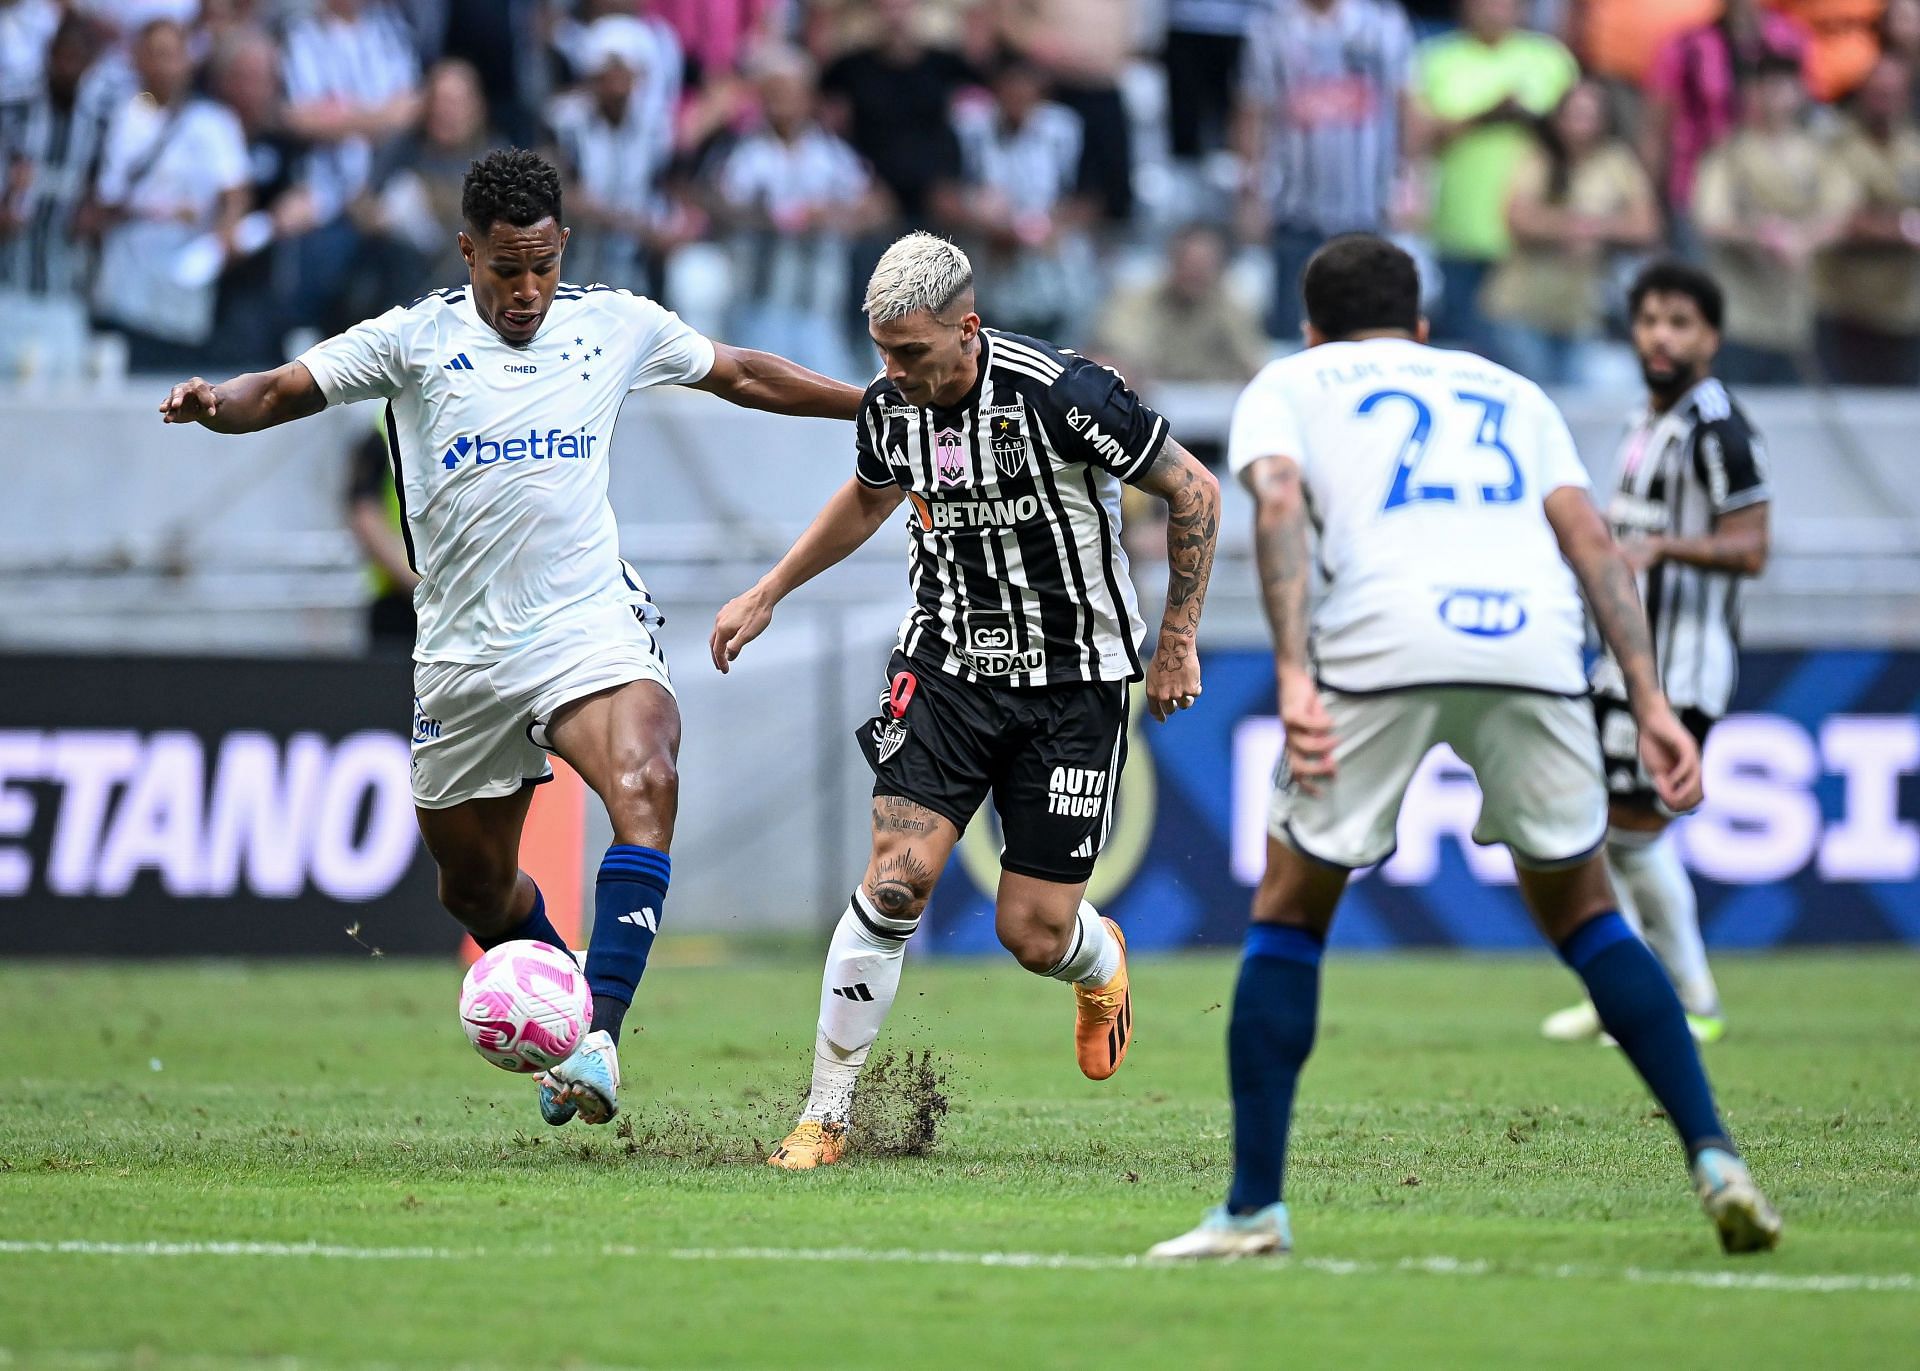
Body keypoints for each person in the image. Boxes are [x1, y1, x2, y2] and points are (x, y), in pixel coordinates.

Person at [158, 148, 865, 1127]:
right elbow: (279, 390)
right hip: (463, 657)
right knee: (477, 891)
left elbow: (741, 373)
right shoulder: (411, 342)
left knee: (647, 778)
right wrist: (214, 406)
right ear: (467, 253)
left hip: (588, 627)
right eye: (505, 270)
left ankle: (597, 1040)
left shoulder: (612, 325)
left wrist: (873, 401)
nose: (528, 291)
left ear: (564, 246)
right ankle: (565, 1021)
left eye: (543, 267)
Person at [1149, 234, 1781, 1260]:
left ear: (1312, 326)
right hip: (1532, 641)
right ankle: (1714, 1155)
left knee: (1289, 913)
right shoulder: (1509, 386)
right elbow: (1591, 540)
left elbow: (1273, 509)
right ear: (1425, 326)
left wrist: (1297, 675)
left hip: (1383, 639)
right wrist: (1652, 701)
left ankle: (1255, 1207)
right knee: (1584, 911)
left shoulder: (1292, 380)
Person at [710, 232, 1222, 1170]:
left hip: (1074, 682)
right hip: (945, 667)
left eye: (910, 352)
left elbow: (1193, 489)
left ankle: (1097, 961)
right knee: (897, 876)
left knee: (1030, 933)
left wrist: (1177, 638)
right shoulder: (891, 406)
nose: (892, 372)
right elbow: (869, 498)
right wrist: (769, 589)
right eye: (880, 352)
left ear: (967, 329)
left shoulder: (1064, 397)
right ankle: (825, 1112)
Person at [1541, 261, 1770, 1048]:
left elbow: (1752, 547)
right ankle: (1629, 996)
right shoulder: (1649, 422)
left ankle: (1692, 999)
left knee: (1633, 832)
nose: (1661, 336)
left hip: (1683, 665)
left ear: (1710, 337)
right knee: (1609, 832)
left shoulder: (1720, 429)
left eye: (1679, 322)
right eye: (1648, 321)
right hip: (1624, 661)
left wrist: (1659, 547)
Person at [1233, 0, 1415, 342]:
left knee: (1368, 328)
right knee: (1291, 331)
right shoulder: (1271, 30)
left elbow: (1407, 105)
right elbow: (1253, 112)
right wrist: (1250, 193)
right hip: (1294, 211)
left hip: (1366, 211)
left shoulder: (1383, 26)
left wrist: (1410, 184)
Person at [1416, 0, 1579, 353]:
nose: (1493, 10)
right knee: (1464, 347)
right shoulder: (1437, 57)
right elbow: (1419, 136)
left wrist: (1532, 119)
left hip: (1534, 236)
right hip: (1461, 227)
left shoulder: (1550, 59)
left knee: (1525, 357)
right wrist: (1489, 114)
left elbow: (1579, 133)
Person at [1481, 77, 1660, 384]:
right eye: (1574, 114)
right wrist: (1571, 228)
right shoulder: (1538, 158)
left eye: (1590, 114)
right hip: (1523, 308)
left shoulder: (1617, 163)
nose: (1582, 123)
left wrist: (1595, 228)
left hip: (1581, 312)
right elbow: (1517, 219)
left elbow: (1646, 226)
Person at [1691, 53, 1857, 384]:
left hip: (1795, 319)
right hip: (1739, 318)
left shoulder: (1819, 154)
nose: (1776, 96)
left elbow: (1841, 213)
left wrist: (1801, 240)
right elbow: (1710, 220)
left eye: (1785, 86)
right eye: (1767, 86)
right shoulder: (1730, 153)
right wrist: (1760, 235)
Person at [1814, 55, 1920, 386]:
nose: (1884, 103)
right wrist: (1904, 227)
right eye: (1876, 93)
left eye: (1893, 93)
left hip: (1906, 314)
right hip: (1848, 314)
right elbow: (1841, 219)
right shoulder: (1838, 147)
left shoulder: (1914, 147)